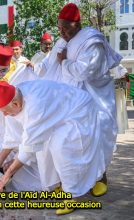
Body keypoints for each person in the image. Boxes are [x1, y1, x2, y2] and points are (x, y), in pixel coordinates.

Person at [37, 3, 123, 196]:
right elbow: (49, 64)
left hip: (93, 101)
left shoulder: (92, 42)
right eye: (60, 28)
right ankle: (71, 180)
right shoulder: (61, 42)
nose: (63, 32)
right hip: (68, 102)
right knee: (68, 142)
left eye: (66, 28)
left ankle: (100, 177)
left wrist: (65, 61)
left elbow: (85, 71)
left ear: (78, 24)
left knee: (95, 139)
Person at [0, 80, 107, 215]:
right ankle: (57, 185)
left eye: (5, 112)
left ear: (16, 104)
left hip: (78, 110)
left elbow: (28, 148)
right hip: (58, 113)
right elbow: (11, 137)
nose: (5, 115)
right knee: (43, 149)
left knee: (62, 147)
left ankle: (74, 195)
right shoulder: (13, 99)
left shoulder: (35, 105)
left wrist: (7, 175)